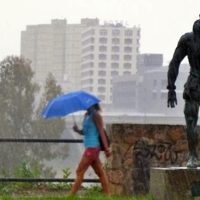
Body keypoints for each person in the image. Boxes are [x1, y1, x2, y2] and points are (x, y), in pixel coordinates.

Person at [167, 18, 200, 168]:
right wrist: (171, 87)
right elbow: (175, 61)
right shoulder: (188, 39)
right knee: (191, 121)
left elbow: (175, 62)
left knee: (191, 121)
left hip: (194, 84)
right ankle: (192, 155)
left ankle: (193, 156)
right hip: (194, 84)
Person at [69, 103, 112, 196]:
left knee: (79, 171)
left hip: (93, 147)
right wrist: (77, 130)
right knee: (100, 172)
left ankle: (71, 195)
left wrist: (106, 148)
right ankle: (108, 195)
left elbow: (101, 131)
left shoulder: (96, 115)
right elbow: (85, 132)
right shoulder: (86, 115)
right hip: (89, 147)